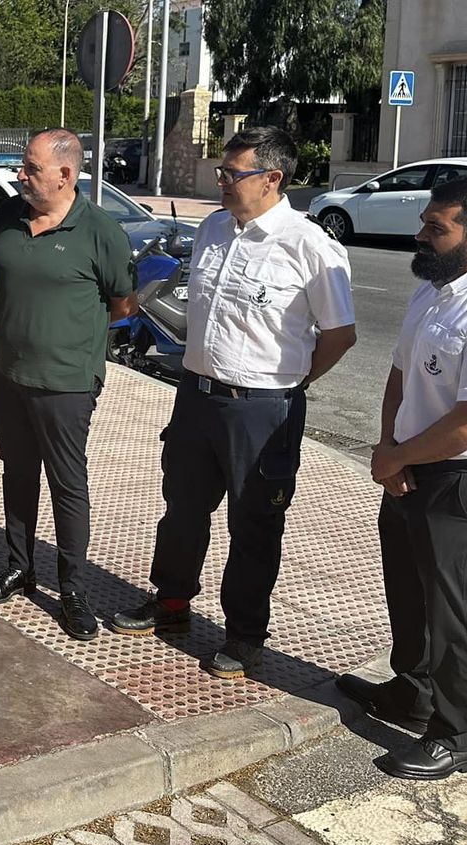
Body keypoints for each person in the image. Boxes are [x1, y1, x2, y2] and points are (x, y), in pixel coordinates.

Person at [110, 126, 357, 678]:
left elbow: (340, 334)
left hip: (262, 410)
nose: (222, 181)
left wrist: (290, 384)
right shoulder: (214, 229)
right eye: (222, 170)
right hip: (197, 398)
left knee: (254, 525)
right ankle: (172, 601)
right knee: (182, 510)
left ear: (272, 178)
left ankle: (245, 635)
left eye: (233, 173)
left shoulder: (310, 245)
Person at [342, 175, 467, 780]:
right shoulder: (432, 292)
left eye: (437, 228)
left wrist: (398, 457)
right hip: (410, 469)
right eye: (424, 223)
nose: (421, 236)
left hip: (465, 483)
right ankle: (413, 693)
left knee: (453, 613)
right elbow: (401, 375)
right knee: (408, 592)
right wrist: (389, 447)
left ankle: (456, 735)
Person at [0, 128, 137, 641]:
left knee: (67, 484)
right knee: (17, 471)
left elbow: (123, 305)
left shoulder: (102, 232)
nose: (20, 175)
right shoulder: (8, 215)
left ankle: (73, 591)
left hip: (65, 383)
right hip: (6, 372)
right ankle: (20, 568)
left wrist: (68, 341)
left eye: (31, 167)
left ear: (65, 174)